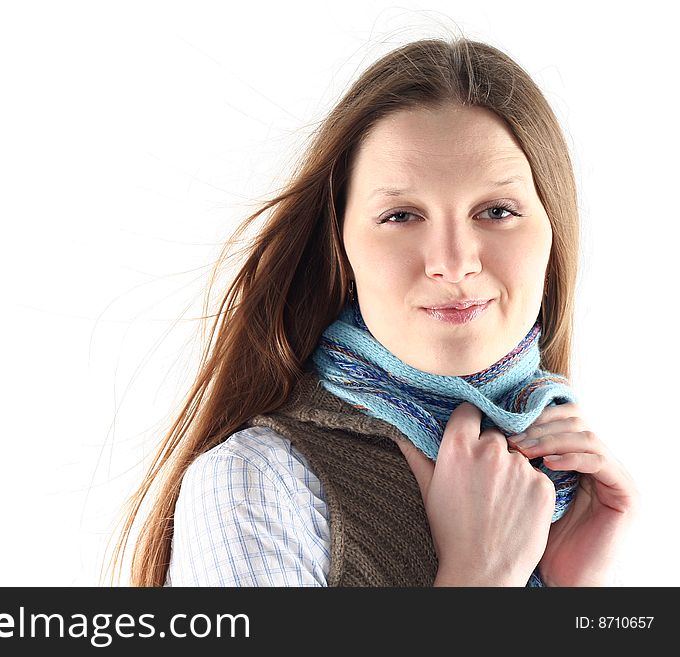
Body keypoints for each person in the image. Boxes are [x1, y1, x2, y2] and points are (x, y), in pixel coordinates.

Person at [107, 36, 639, 587]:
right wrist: (481, 578)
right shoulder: (255, 484)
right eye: (402, 215)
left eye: (497, 211)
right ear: (342, 245)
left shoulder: (567, 494)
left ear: (554, 234)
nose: (453, 264)